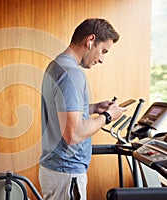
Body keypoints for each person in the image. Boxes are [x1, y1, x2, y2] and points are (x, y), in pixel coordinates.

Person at [39, 18, 127, 200]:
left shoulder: (56, 65)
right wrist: (109, 117)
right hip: (66, 173)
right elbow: (74, 134)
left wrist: (93, 108)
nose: (102, 59)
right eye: (103, 51)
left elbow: (59, 111)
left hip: (55, 170)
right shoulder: (72, 73)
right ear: (90, 40)